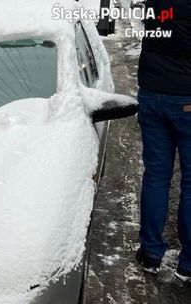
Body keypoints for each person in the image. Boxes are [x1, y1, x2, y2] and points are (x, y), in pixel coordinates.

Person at [136, 0, 191, 282]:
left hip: (151, 94)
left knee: (156, 176)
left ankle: (150, 254)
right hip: (186, 97)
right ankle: (188, 263)